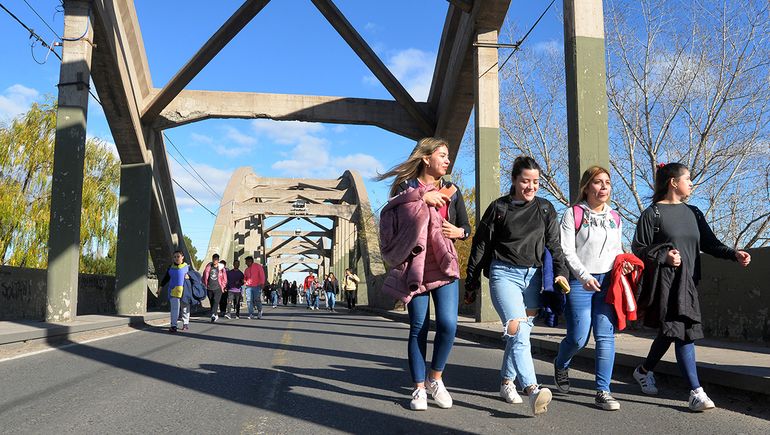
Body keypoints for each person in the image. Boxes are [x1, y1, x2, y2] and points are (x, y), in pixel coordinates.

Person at [631, 162, 751, 412]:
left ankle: (643, 371)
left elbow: (710, 243)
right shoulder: (652, 213)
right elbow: (639, 249)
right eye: (688, 179)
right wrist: (664, 257)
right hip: (666, 285)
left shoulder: (694, 212)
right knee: (684, 331)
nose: (692, 184)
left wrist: (734, 254)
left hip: (690, 283)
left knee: (671, 331)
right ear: (673, 182)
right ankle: (696, 392)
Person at [465, 156, 568, 416]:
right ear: (514, 180)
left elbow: (555, 245)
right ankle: (532, 390)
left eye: (536, 182)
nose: (531, 187)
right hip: (503, 275)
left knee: (519, 336)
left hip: (533, 279)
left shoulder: (545, 209)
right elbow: (481, 245)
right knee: (518, 329)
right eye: (525, 181)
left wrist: (560, 273)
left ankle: (506, 382)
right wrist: (471, 281)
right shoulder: (499, 207)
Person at [377, 137, 470, 411]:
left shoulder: (452, 190)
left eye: (448, 155)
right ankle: (418, 388)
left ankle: (435, 378)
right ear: (426, 157)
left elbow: (465, 225)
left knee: (449, 324)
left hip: (443, 264)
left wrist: (461, 232)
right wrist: (421, 197)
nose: (447, 160)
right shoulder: (405, 188)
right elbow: (393, 216)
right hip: (413, 267)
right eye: (442, 154)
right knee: (419, 326)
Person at [553, 166, 633, 411]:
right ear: (586, 187)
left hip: (608, 282)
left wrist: (625, 264)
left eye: (607, 182)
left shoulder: (615, 217)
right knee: (578, 337)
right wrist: (584, 276)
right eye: (598, 182)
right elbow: (567, 250)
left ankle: (603, 390)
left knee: (605, 336)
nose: (604, 187)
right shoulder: (573, 213)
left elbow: (616, 250)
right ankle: (561, 363)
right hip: (580, 281)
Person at [158, 250, 192, 333]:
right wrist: (160, 288)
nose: (176, 258)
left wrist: (190, 276)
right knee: (174, 309)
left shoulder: (187, 267)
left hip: (184, 291)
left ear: (182, 257)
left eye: (178, 256)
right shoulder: (170, 267)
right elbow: (166, 278)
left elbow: (194, 277)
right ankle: (173, 325)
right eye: (175, 257)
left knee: (185, 307)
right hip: (173, 290)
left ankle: (185, 323)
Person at [202, 253, 227, 322]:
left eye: (216, 260)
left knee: (216, 301)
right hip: (209, 287)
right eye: (214, 259)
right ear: (212, 259)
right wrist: (205, 284)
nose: (215, 261)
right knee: (212, 301)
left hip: (218, 288)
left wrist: (223, 285)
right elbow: (204, 276)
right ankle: (215, 314)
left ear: (218, 260)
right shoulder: (208, 267)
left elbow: (225, 278)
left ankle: (213, 314)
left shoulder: (221, 268)